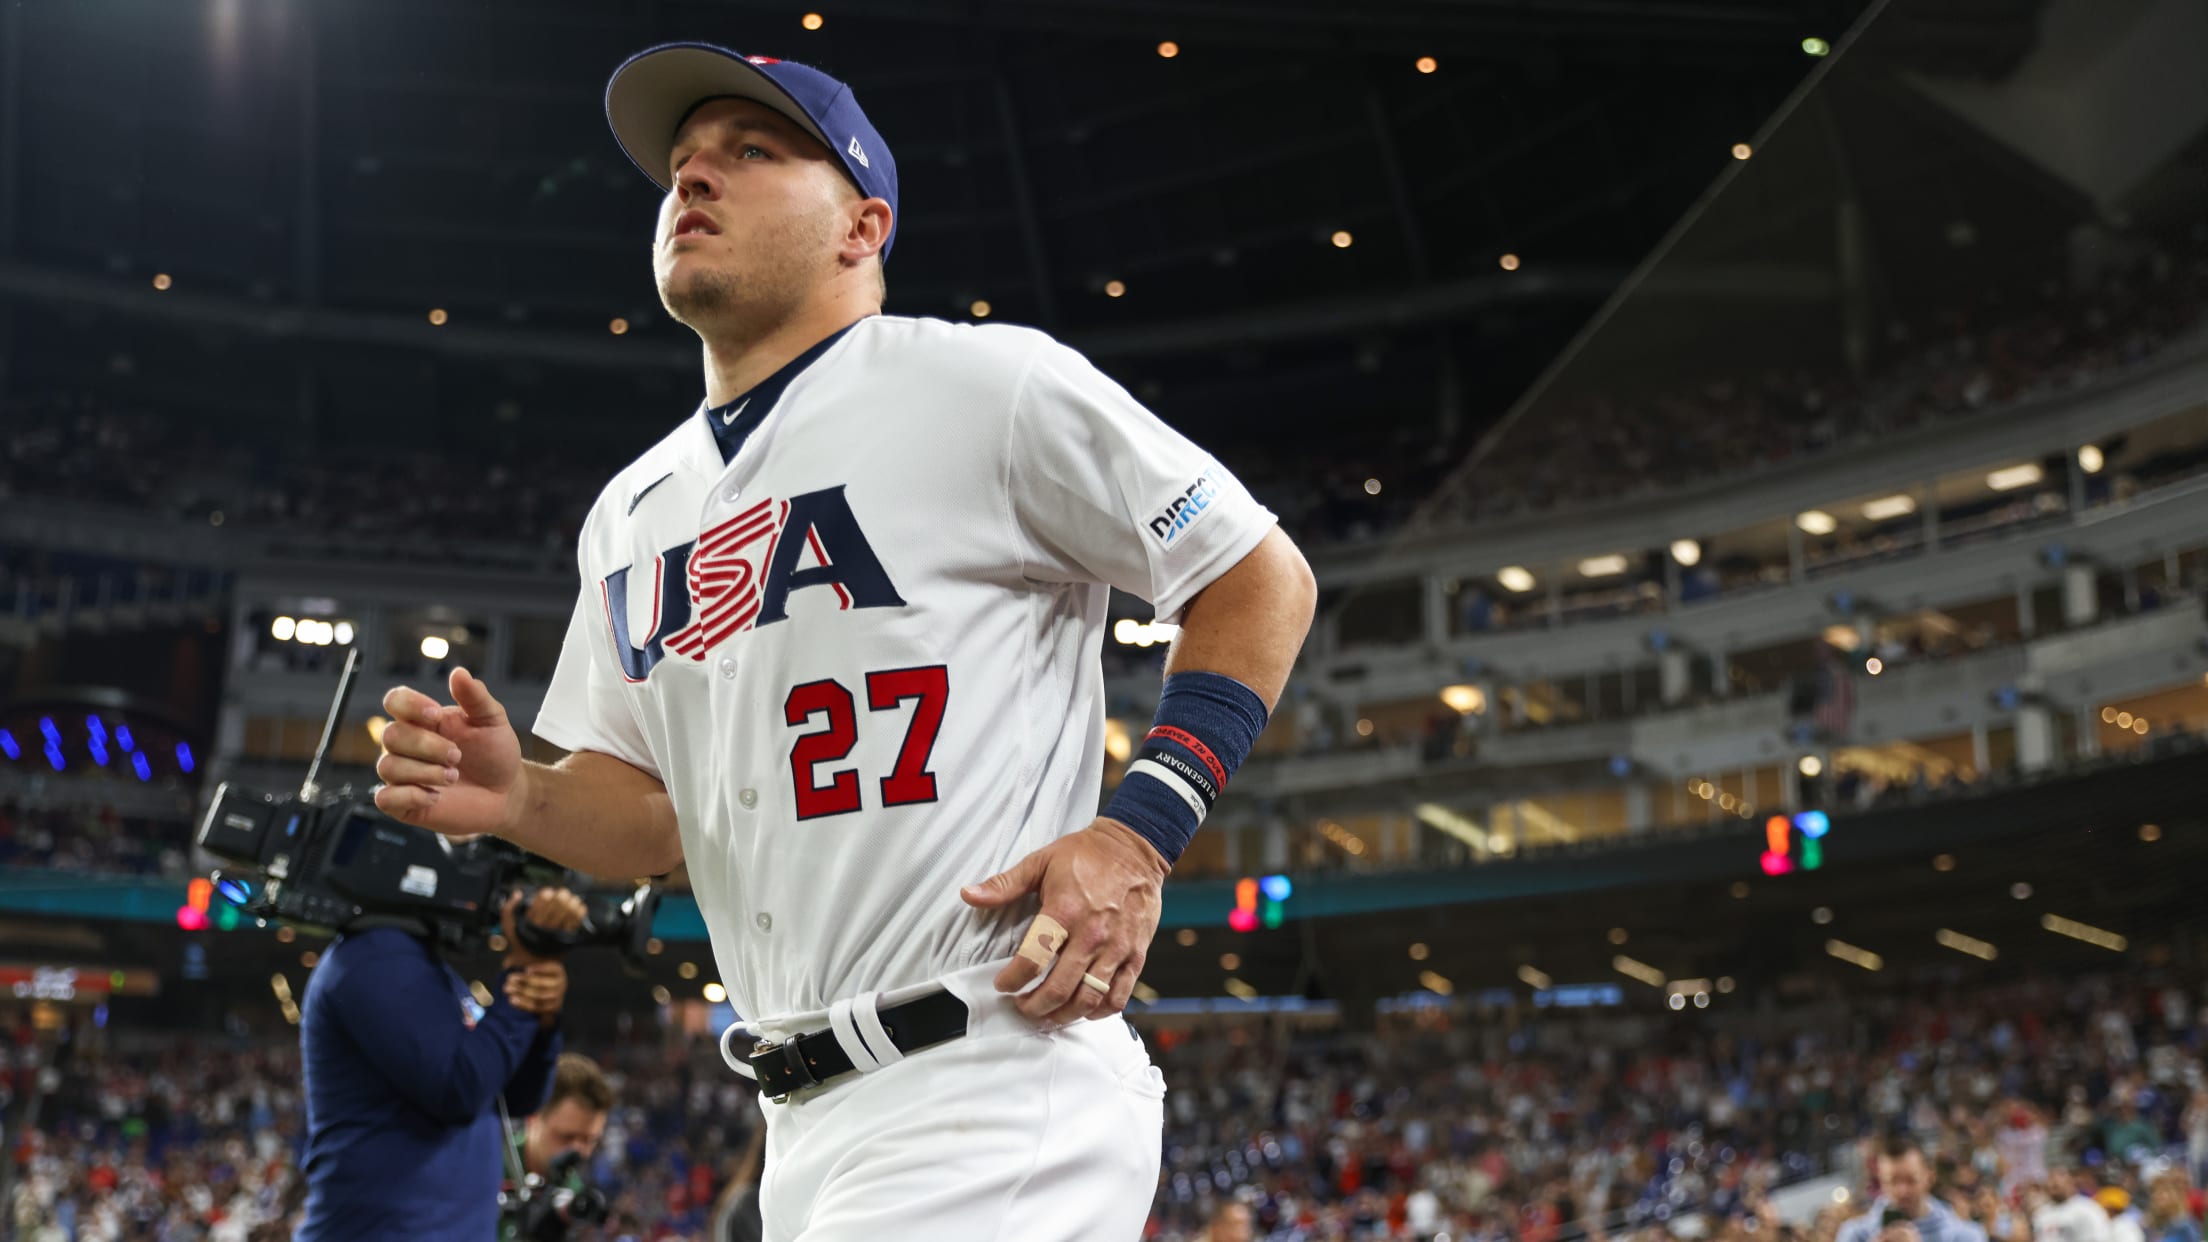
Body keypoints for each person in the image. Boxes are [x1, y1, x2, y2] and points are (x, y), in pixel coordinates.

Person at [370, 39, 1315, 1242]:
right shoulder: (632, 508)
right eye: (682, 164)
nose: (693, 179)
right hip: (801, 1123)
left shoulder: (987, 384)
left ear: (862, 226)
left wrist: (1142, 829)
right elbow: (654, 816)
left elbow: (1255, 572)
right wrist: (521, 800)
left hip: (989, 1069)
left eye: (750, 152)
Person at [296, 888, 585, 1242]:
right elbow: (458, 1088)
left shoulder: (428, 971)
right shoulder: (374, 956)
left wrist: (538, 1016)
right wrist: (521, 988)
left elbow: (514, 1096)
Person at [1836, 1136, 1989, 1242]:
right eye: (1892, 1181)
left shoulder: (1965, 1236)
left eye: (1911, 1180)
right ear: (1881, 1180)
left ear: (1929, 1177)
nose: (1902, 1191)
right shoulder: (1854, 1234)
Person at [516, 1052, 613, 1181]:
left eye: (589, 1140)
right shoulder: (487, 1167)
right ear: (532, 1117)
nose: (578, 1152)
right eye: (567, 1137)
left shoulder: (573, 1190)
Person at [2034, 1168, 2117, 1242]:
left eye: (2059, 1178)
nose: (2053, 1182)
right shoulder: (2041, 1213)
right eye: (2050, 1178)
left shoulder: (2087, 1209)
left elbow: (2099, 1238)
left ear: (2072, 1181)